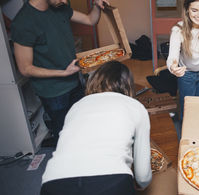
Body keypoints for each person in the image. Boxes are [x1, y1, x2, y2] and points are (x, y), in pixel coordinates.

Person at [11, 0, 110, 140]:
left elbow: (89, 20)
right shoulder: (24, 22)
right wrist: (63, 73)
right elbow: (25, 68)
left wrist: (96, 5)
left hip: (74, 82)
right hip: (54, 92)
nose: (65, 1)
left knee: (81, 126)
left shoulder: (60, 8)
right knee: (65, 136)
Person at [40, 61, 152, 195]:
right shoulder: (135, 106)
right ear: (128, 85)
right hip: (112, 180)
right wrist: (141, 184)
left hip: (54, 182)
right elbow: (143, 175)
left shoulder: (77, 106)